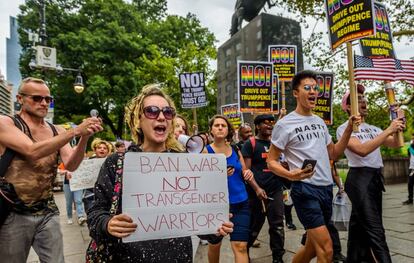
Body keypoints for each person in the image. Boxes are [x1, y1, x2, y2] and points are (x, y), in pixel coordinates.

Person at [86, 84, 233, 262]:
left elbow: (199, 225)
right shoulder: (116, 163)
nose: (161, 116)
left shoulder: (185, 163)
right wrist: (107, 224)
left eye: (168, 112)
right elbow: (95, 214)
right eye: (152, 111)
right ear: (138, 120)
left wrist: (216, 227)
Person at [0, 77, 102, 262]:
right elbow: (31, 151)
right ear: (20, 99)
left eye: (48, 99)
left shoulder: (57, 131)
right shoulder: (7, 123)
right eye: (37, 98)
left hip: (47, 210)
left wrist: (84, 138)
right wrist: (75, 131)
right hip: (13, 211)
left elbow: (71, 164)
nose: (44, 103)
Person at [266, 70, 360, 263]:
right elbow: (271, 160)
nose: (313, 92)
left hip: (326, 189)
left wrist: (349, 129)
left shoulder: (319, 122)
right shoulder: (285, 124)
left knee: (312, 248)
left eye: (315, 88)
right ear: (295, 93)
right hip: (305, 189)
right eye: (307, 88)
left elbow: (333, 153)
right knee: (327, 249)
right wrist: (291, 175)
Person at [337, 84, 405, 263]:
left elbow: (396, 144)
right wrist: (390, 129)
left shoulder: (374, 129)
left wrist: (398, 122)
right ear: (348, 107)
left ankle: (355, 259)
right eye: (358, 99)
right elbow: (362, 150)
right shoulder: (345, 128)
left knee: (359, 225)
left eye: (363, 98)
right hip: (359, 180)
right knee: (375, 228)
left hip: (375, 179)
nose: (363, 101)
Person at [204, 115, 265, 263]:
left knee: (241, 246)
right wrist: (220, 175)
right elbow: (200, 182)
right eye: (216, 125)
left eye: (223, 125)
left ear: (228, 130)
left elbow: (244, 171)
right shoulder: (205, 152)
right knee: (215, 245)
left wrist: (248, 174)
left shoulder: (235, 149)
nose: (220, 127)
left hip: (241, 203)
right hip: (216, 206)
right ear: (211, 130)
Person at [241, 114, 286, 263]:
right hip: (256, 194)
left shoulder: (276, 144)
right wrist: (257, 189)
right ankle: (244, 254)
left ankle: (278, 258)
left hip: (275, 190)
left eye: (272, 123)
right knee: (254, 226)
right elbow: (246, 172)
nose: (269, 126)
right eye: (266, 123)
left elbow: (282, 164)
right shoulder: (250, 144)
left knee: (277, 226)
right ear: (258, 126)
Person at [83, 138, 113, 213]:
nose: (102, 149)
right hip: (90, 192)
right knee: (91, 214)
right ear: (95, 150)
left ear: (108, 151)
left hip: (106, 193)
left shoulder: (111, 163)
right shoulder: (87, 162)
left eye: (105, 148)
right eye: (99, 148)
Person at [403, 133, 414, 205]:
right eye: (412, 138)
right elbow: (410, 158)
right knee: (410, 184)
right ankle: (410, 199)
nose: (412, 140)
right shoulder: (410, 148)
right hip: (412, 168)